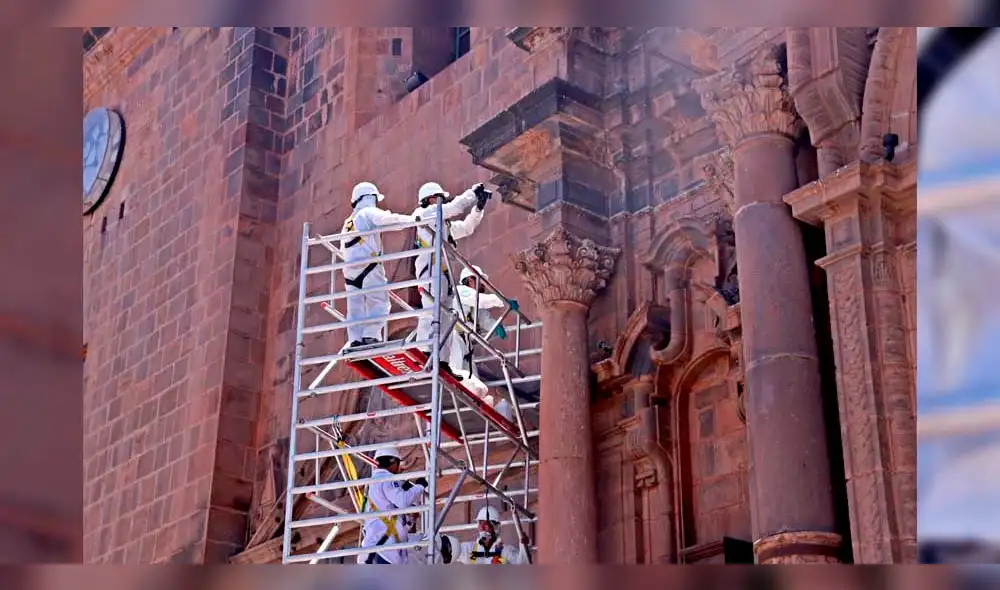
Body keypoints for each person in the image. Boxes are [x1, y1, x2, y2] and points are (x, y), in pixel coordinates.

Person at [409, 181, 492, 372]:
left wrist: (478, 208)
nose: (443, 201)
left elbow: (466, 228)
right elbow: (455, 207)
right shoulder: (425, 214)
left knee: (445, 316)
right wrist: (472, 193)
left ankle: (443, 360)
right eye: (440, 198)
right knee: (431, 310)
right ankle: (424, 350)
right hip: (431, 272)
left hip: (444, 274)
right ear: (430, 199)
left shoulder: (443, 224)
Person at [340, 181, 416, 350]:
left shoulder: (347, 223)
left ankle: (355, 339)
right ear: (370, 197)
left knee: (355, 308)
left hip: (350, 270)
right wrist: (412, 220)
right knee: (380, 303)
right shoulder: (368, 212)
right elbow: (388, 220)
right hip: (369, 266)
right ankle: (370, 336)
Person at [449, 264, 517, 421]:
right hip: (453, 336)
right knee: (455, 371)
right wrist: (503, 301)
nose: (481, 284)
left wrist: (496, 326)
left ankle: (478, 405)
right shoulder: (461, 291)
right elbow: (481, 300)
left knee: (473, 379)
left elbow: (484, 319)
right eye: (478, 280)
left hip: (466, 341)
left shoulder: (475, 302)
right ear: (469, 280)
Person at [358, 446, 428, 564]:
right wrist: (419, 486)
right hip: (383, 551)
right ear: (394, 463)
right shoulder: (387, 478)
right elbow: (402, 501)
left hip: (375, 549)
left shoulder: (373, 483)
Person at [455, 506, 530, 564]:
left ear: (496, 527)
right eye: (480, 523)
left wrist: (523, 546)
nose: (482, 527)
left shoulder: (506, 551)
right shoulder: (467, 549)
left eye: (487, 523)